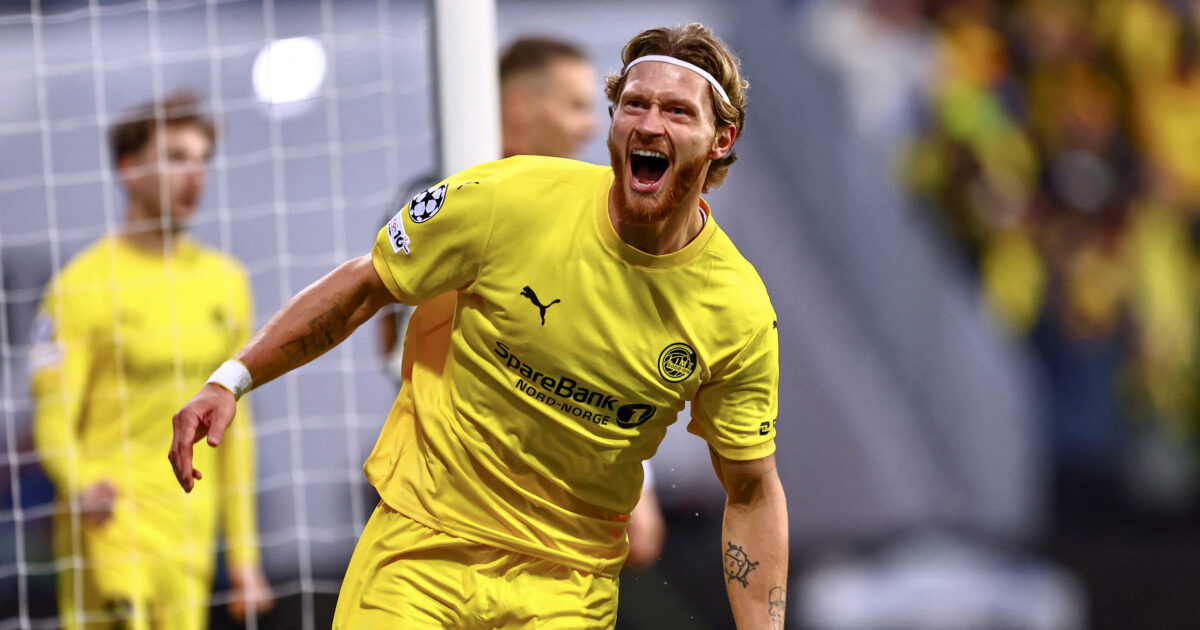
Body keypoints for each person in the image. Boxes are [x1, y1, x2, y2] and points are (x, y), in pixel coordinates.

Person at [170, 23, 786, 629]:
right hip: (422, 544)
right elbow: (365, 286)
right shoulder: (507, 197)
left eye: (677, 111)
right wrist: (231, 378)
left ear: (721, 138)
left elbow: (752, 490)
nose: (649, 124)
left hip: (567, 583)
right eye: (634, 105)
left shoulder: (736, 309)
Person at [379, 35, 666, 572]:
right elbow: (392, 338)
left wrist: (636, 479)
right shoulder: (443, 201)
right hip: (449, 478)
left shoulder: (602, 217)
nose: (591, 127)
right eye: (577, 106)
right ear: (518, 107)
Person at [30, 90, 274, 630]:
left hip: (189, 533)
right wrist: (80, 483)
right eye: (176, 157)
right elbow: (52, 415)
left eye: (202, 160)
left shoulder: (226, 283)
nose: (195, 175)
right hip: (110, 526)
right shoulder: (79, 287)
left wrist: (244, 559)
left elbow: (238, 430)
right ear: (129, 169)